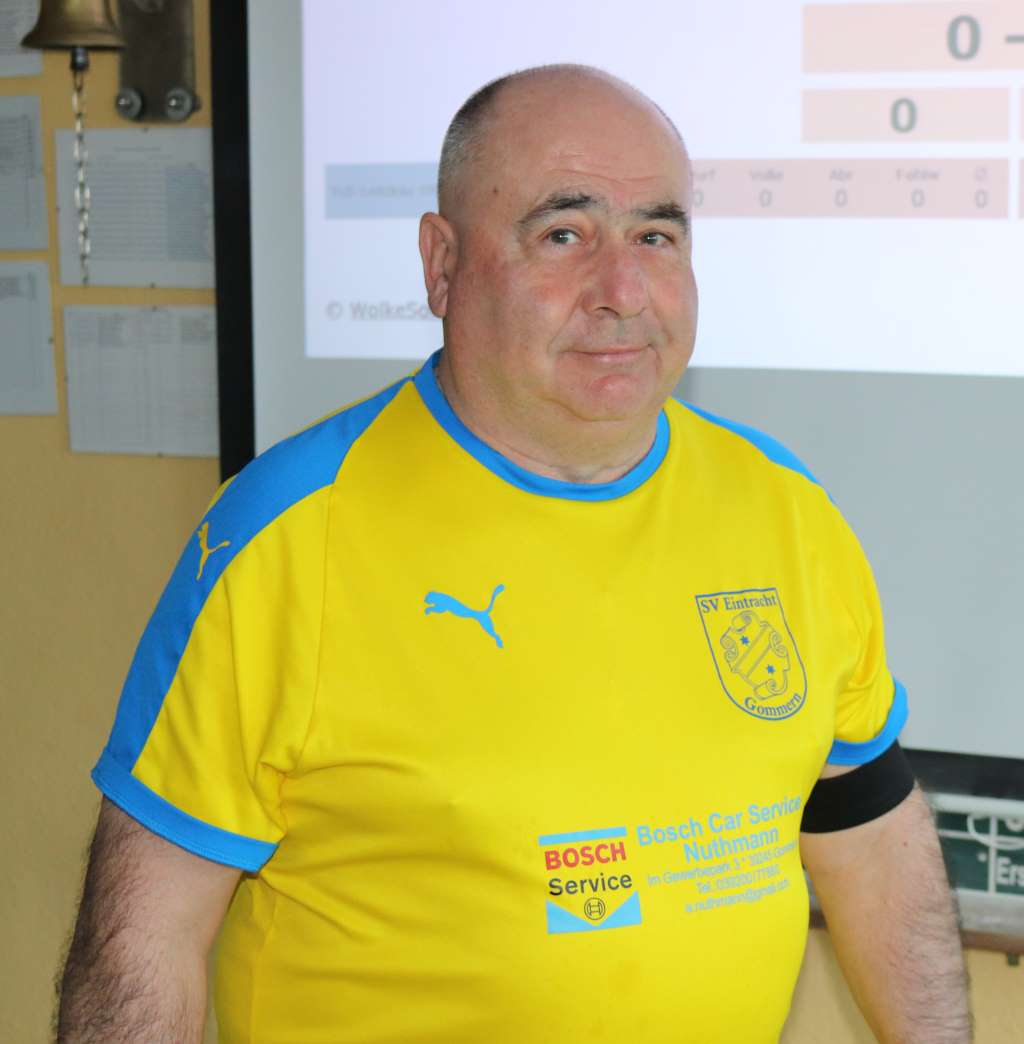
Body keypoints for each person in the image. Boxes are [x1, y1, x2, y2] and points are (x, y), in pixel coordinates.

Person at [57, 65, 971, 1043]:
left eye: (656, 237)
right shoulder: (287, 539)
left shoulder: (786, 513)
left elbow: (872, 840)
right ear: (441, 263)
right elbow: (143, 939)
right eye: (563, 235)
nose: (623, 292)